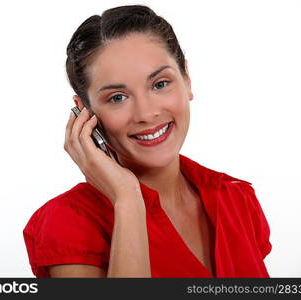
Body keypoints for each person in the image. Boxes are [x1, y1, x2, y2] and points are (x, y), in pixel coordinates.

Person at [23, 4, 272, 278]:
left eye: (160, 84)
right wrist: (128, 200)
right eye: (117, 97)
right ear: (85, 112)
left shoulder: (237, 199)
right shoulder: (68, 221)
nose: (146, 113)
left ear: (186, 79)